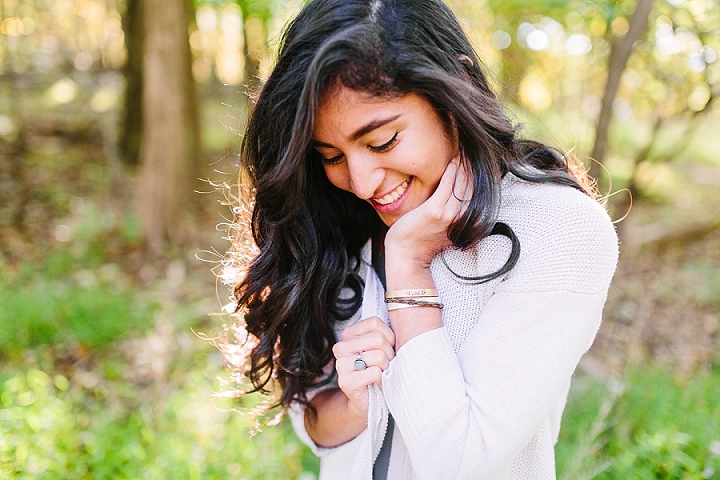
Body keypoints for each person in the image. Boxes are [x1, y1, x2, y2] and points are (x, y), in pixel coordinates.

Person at [226, 0, 619, 478]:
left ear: (455, 90)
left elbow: (463, 462)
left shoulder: (556, 229)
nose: (362, 181)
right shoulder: (336, 221)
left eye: (383, 141)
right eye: (330, 155)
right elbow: (314, 421)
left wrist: (408, 267)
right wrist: (357, 405)